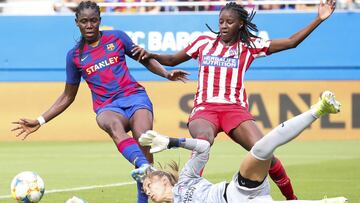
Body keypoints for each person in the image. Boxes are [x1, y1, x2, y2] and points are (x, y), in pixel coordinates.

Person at [134, 0, 337, 200]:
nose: (223, 26)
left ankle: (292, 199)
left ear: (240, 24)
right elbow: (172, 60)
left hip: (234, 110)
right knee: (203, 142)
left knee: (265, 152)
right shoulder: (203, 41)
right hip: (205, 109)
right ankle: (187, 196)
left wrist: (318, 18)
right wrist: (152, 55)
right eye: (221, 21)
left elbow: (291, 42)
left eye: (229, 22)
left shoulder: (249, 46)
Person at [10, 1, 189, 203]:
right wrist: (40, 120)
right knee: (114, 127)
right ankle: (143, 165)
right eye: (84, 21)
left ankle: (143, 177)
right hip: (108, 107)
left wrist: (166, 73)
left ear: (99, 21)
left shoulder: (117, 38)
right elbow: (68, 96)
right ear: (76, 23)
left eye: (93, 21)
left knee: (143, 142)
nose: (89, 25)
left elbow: (144, 58)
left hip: (135, 97)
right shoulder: (75, 56)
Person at [136, 91, 347, 203]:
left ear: (164, 180)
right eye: (146, 191)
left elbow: (203, 147)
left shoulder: (186, 178)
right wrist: (146, 173)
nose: (147, 194)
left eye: (148, 187)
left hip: (239, 188)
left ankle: (319, 109)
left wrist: (172, 142)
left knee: (262, 148)